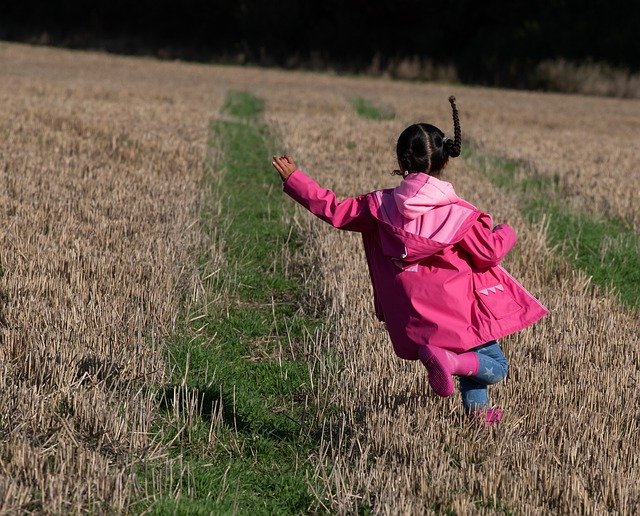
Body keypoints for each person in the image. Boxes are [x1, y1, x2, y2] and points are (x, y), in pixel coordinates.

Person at [271, 96, 547, 425]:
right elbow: (489, 252)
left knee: (470, 357)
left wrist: (296, 179)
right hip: (457, 310)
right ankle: (450, 364)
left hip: (412, 314)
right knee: (493, 364)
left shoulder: (378, 206)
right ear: (444, 161)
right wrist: (507, 231)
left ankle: (479, 419)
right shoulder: (459, 216)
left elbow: (335, 212)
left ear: (402, 162)